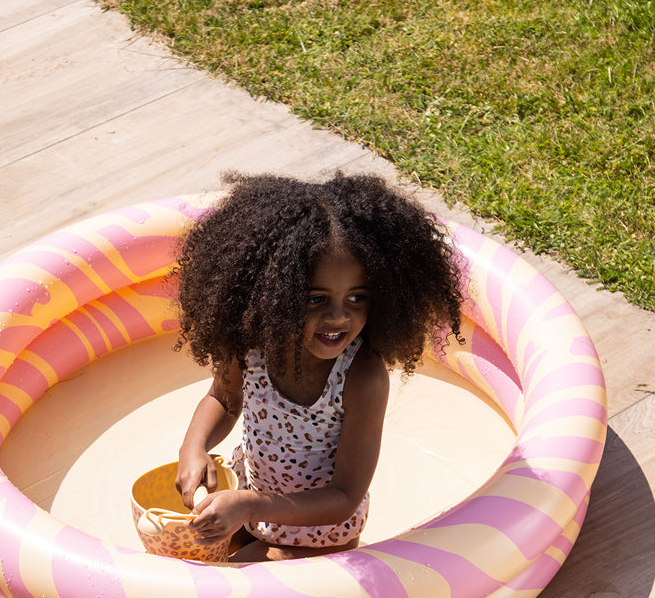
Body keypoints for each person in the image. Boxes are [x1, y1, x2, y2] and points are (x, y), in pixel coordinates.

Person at [173, 172, 464, 561]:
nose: (339, 317)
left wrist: (248, 504)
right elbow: (224, 400)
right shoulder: (251, 346)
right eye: (315, 299)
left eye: (357, 297)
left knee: (230, 587)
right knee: (195, 560)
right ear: (273, 295)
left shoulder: (360, 377)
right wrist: (193, 448)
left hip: (318, 533)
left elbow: (345, 496)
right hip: (248, 504)